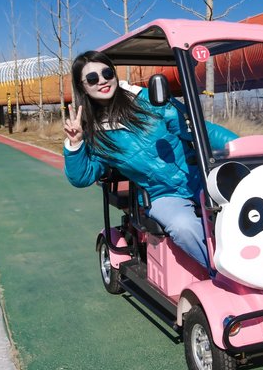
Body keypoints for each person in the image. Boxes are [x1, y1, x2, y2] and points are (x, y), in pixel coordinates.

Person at [63, 50, 238, 269]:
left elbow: (198, 130)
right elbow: (82, 177)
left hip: (198, 177)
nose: (102, 81)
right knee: (183, 226)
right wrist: (75, 143)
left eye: (107, 73)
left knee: (245, 206)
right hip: (160, 194)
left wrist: (242, 146)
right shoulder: (95, 135)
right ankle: (221, 272)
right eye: (92, 78)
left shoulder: (150, 100)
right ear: (83, 87)